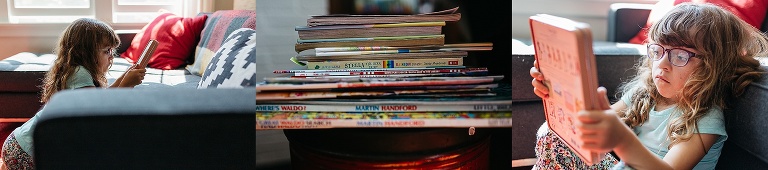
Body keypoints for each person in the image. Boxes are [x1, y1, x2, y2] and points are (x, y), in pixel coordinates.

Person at [530, 3, 768, 169]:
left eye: (680, 56)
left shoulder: (705, 119)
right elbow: (589, 126)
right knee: (553, 134)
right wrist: (556, 89)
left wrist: (622, 141)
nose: (661, 65)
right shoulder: (646, 93)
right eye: (657, 51)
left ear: (713, 66)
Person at [0, 18, 146, 169]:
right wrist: (127, 85)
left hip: (19, 143)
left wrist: (124, 77)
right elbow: (98, 111)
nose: (111, 56)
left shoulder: (77, 70)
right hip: (26, 152)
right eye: (106, 51)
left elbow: (100, 98)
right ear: (86, 52)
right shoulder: (79, 74)